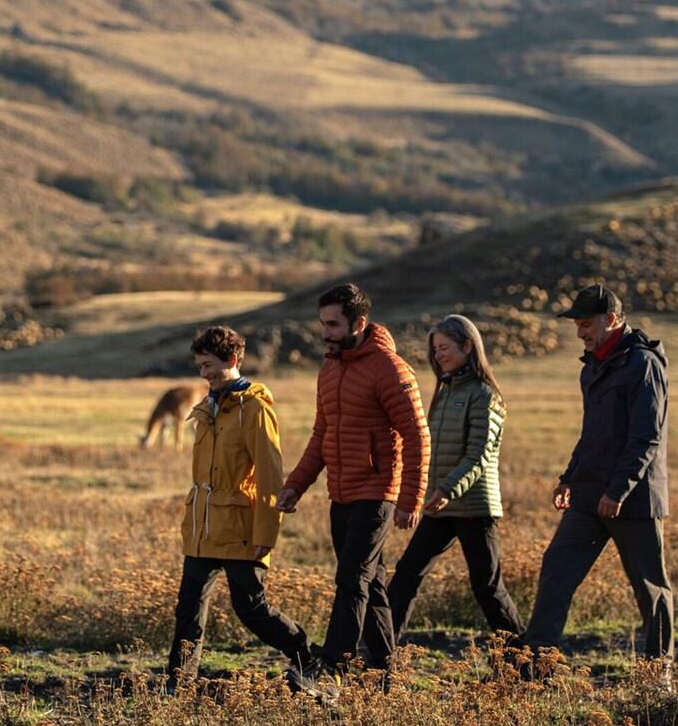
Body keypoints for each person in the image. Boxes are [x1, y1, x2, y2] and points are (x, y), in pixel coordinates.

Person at [276, 283, 429, 675]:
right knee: (372, 584)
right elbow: (320, 435)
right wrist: (296, 484)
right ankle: (383, 674)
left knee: (350, 579)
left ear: (359, 322)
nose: (325, 332)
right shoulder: (329, 369)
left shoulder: (390, 369)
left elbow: (417, 434)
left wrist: (410, 500)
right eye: (322, 324)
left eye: (333, 324)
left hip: (377, 493)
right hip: (340, 494)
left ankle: (330, 670)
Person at [518, 284, 674, 664]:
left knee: (649, 588)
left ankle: (659, 674)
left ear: (613, 320)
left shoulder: (642, 364)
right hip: (589, 494)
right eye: (577, 325)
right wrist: (569, 476)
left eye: (587, 324)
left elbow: (646, 437)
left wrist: (619, 490)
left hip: (633, 499)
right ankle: (537, 666)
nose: (580, 332)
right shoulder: (593, 367)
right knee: (557, 568)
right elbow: (593, 434)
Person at [167, 325, 316, 694]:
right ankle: (178, 685)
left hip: (240, 527)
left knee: (251, 609)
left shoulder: (254, 408)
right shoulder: (207, 407)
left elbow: (269, 475)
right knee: (188, 611)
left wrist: (266, 534)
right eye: (199, 366)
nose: (203, 374)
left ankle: (304, 652)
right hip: (202, 527)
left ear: (232, 360)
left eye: (209, 365)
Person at [385, 314, 522, 645]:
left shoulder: (485, 395)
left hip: (474, 507)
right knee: (406, 575)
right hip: (440, 506)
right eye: (435, 349)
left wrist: (449, 488)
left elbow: (480, 454)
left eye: (444, 348)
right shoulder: (444, 392)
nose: (438, 355)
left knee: (486, 586)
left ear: (468, 346)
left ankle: (527, 662)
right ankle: (379, 651)